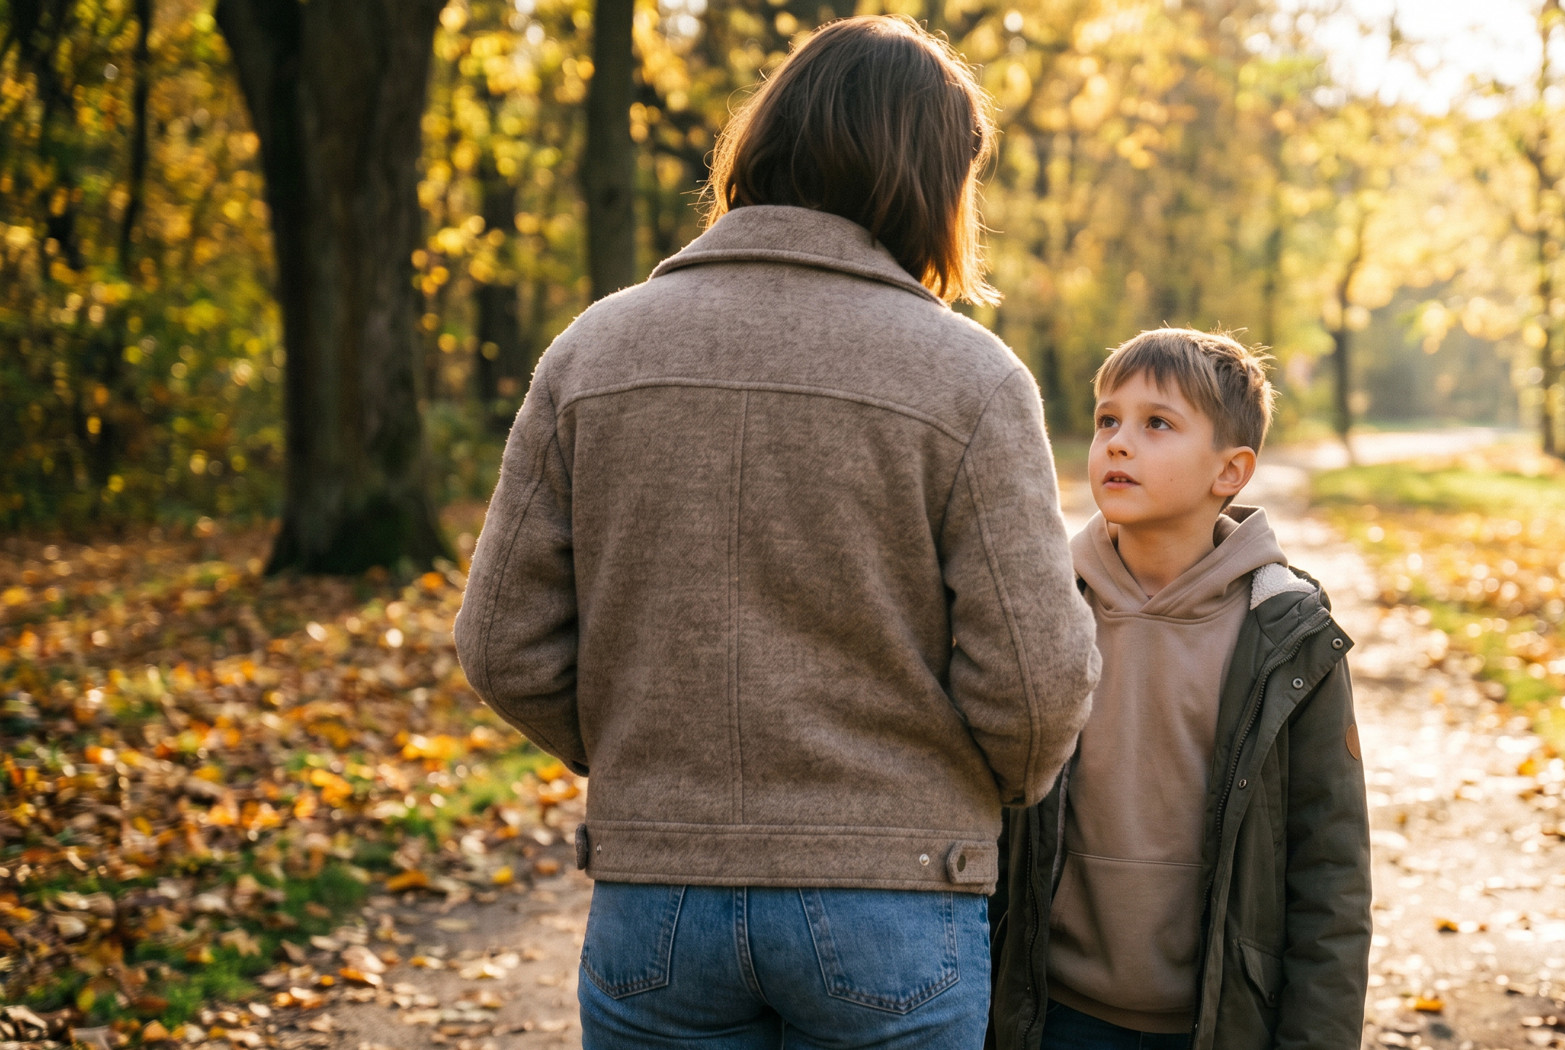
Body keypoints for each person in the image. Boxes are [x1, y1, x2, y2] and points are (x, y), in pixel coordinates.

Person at [453, 16, 1099, 1049]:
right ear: (929, 179)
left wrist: (652, 762)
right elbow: (1034, 685)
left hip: (655, 899)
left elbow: (498, 644)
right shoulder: (970, 377)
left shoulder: (591, 352)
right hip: (894, 894)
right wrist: (965, 789)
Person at [989, 330, 1373, 1050]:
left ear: (1231, 471)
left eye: (1156, 423)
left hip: (1218, 1021)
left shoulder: (1288, 634)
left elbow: (1330, 874)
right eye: (1108, 420)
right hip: (1051, 1013)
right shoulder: (1049, 606)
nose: (1118, 443)